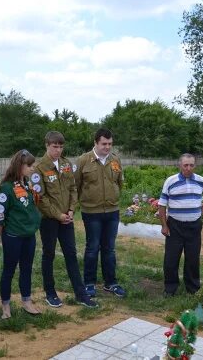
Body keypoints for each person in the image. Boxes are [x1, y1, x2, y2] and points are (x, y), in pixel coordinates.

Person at [32, 131, 98, 308]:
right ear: (47, 145)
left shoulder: (66, 164)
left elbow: (73, 189)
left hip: (66, 219)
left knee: (71, 254)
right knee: (49, 254)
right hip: (49, 220)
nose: (58, 150)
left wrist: (70, 210)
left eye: (61, 146)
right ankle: (50, 292)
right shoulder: (38, 168)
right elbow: (40, 198)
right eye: (55, 146)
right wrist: (58, 215)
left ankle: (80, 294)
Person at [75, 128, 126, 298]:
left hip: (112, 211)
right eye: (104, 144)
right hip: (92, 212)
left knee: (109, 249)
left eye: (110, 144)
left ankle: (110, 283)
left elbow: (119, 182)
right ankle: (89, 283)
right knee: (92, 247)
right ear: (95, 143)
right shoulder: (83, 160)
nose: (107, 147)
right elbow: (76, 185)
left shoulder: (115, 160)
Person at [158, 153, 203, 296]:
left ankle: (193, 288)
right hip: (175, 226)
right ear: (180, 165)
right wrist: (164, 225)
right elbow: (162, 205)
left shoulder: (201, 181)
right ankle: (170, 288)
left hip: (194, 226)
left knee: (192, 258)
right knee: (171, 259)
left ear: (195, 166)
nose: (188, 168)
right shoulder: (170, 181)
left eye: (191, 165)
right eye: (186, 165)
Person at [0, 149, 42, 319]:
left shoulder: (28, 184)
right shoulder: (6, 188)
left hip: (29, 235)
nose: (32, 168)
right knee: (9, 270)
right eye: (29, 165)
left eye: (32, 165)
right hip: (13, 236)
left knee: (27, 269)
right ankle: (5, 305)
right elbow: (0, 212)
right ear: (19, 166)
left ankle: (27, 301)